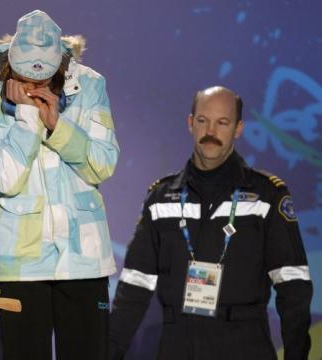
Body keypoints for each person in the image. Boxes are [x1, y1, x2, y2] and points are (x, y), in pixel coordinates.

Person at [109, 86, 313, 359]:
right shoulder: (161, 197)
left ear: (239, 128)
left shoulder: (267, 195)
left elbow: (293, 288)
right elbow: (133, 288)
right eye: (203, 121)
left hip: (244, 345)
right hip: (177, 346)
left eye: (222, 123)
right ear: (190, 123)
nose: (211, 132)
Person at [0, 10, 119, 360]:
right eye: (25, 74)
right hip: (20, 262)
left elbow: (103, 164)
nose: (35, 86)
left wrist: (58, 127)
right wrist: (27, 117)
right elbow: (7, 176)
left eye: (45, 76)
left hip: (84, 259)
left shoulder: (90, 84)